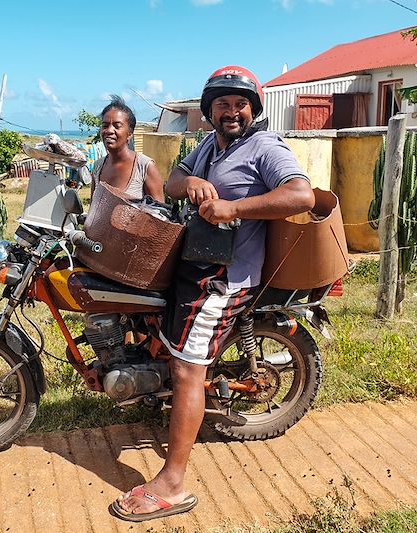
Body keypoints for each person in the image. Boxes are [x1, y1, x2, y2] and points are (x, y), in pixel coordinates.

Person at [112, 66, 316, 522]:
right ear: (209, 112)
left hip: (226, 278)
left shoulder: (266, 147)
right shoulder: (208, 145)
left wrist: (233, 207)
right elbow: (173, 182)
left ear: (253, 110)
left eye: (240, 103)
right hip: (193, 264)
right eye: (222, 104)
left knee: (187, 368)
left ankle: (173, 484)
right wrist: (194, 184)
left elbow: (302, 196)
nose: (231, 111)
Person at [91, 95, 164, 201]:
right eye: (105, 125)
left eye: (117, 126)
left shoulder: (144, 167)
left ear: (130, 133)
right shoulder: (98, 167)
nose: (109, 130)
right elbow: (94, 210)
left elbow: (159, 214)